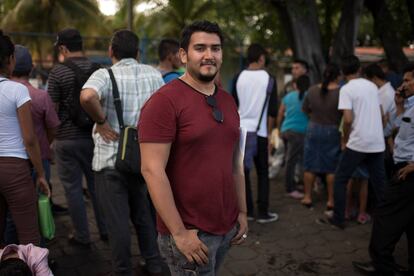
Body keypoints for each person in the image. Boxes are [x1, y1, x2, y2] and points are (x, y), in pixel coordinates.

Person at [139, 20, 248, 275]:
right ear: (183, 55)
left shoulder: (227, 100)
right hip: (190, 234)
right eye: (200, 48)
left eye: (216, 48)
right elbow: (151, 170)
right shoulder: (164, 102)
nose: (209, 55)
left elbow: (236, 162)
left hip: (226, 227)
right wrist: (179, 233)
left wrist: (242, 211)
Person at [80, 29, 163, 276]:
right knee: (143, 215)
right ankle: (154, 263)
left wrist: (102, 120)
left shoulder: (104, 74)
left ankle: (123, 270)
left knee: (117, 222)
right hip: (142, 159)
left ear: (111, 52)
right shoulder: (153, 75)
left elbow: (87, 97)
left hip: (109, 160)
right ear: (138, 52)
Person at [353, 63, 414, 276]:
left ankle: (382, 265)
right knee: (407, 220)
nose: (403, 84)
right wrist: (399, 106)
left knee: (384, 216)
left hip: (407, 171)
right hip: (401, 165)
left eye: (408, 80)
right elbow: (396, 128)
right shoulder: (409, 104)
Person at [48, 28, 106, 246]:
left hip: (66, 140)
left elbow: (52, 111)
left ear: (63, 48)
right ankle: (106, 230)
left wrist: (51, 139)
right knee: (96, 186)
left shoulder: (57, 72)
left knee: (72, 189)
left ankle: (82, 236)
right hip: (95, 138)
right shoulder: (99, 69)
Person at [318, 55, 385, 229]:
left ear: (342, 72)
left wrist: (345, 139)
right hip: (377, 142)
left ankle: (339, 219)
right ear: (359, 69)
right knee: (380, 183)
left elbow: (347, 119)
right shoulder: (371, 86)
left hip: (358, 142)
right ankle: (388, 219)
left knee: (341, 179)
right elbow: (382, 114)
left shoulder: (346, 89)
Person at [0, 31, 50, 246]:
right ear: (10, 60)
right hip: (15, 170)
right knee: (29, 237)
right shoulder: (17, 90)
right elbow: (30, 139)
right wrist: (40, 174)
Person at [10, 45, 64, 214]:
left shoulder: (4, 93)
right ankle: (40, 239)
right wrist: (44, 143)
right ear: (31, 68)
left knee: (13, 211)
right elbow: (54, 127)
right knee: (41, 207)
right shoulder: (41, 96)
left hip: (9, 160)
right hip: (39, 159)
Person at [231, 43, 278, 223]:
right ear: (261, 58)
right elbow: (273, 111)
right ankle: (263, 212)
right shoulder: (269, 78)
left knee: (243, 172)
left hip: (241, 132)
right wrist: (269, 135)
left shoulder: (238, 77)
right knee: (263, 172)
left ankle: (248, 211)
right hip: (260, 132)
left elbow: (234, 105)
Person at [301, 64, 342, 210]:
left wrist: (314, 117)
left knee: (309, 164)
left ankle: (307, 197)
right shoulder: (340, 92)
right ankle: (330, 200)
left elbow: (305, 109)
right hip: (332, 130)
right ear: (337, 76)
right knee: (331, 167)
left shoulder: (312, 90)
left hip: (313, 128)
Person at [277, 75, 310, 199]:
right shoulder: (308, 96)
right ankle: (290, 188)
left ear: (295, 85)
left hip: (286, 130)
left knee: (291, 159)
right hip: (300, 132)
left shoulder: (288, 96)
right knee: (294, 160)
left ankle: (296, 183)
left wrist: (279, 129)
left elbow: (280, 114)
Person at [364, 63, 397, 179]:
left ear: (373, 78)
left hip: (383, 139)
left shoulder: (386, 94)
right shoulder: (383, 92)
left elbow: (377, 118)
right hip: (382, 138)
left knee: (379, 176)